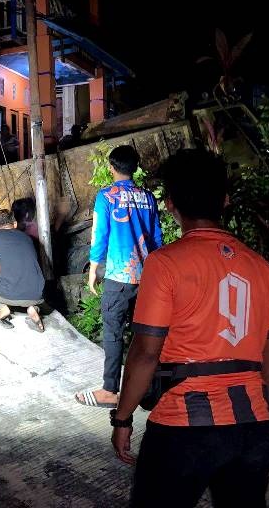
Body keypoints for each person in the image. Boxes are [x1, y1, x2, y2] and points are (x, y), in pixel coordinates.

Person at [109, 149, 269, 508]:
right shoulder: (263, 269)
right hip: (252, 428)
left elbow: (145, 351)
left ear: (171, 204)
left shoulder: (165, 263)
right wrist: (260, 405)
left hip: (183, 429)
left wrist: (122, 417)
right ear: (225, 199)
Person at [75, 145, 162, 408]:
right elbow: (157, 238)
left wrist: (93, 272)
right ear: (135, 167)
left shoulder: (106, 196)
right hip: (147, 279)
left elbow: (99, 236)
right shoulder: (148, 197)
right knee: (144, 336)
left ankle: (110, 390)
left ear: (112, 168)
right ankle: (144, 388)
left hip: (118, 278)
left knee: (113, 334)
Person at [0, 209, 45, 332]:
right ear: (15, 224)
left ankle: (1, 309)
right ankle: (33, 309)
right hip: (38, 294)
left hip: (9, 294)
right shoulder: (28, 238)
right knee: (23, 278)